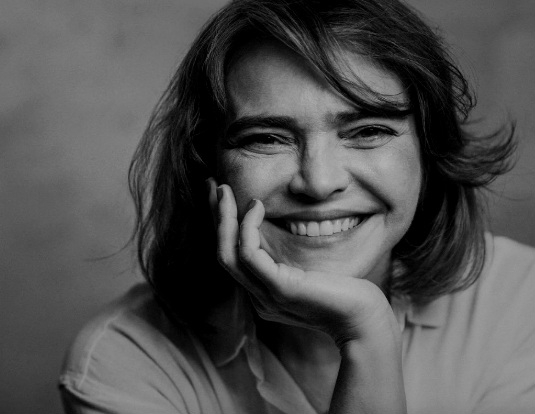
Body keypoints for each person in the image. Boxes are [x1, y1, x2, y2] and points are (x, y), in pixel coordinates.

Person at [59, 0, 535, 413]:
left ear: (429, 152)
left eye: (368, 131)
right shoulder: (126, 358)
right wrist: (366, 336)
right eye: (267, 138)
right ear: (208, 167)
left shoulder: (520, 305)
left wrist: (365, 338)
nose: (319, 182)